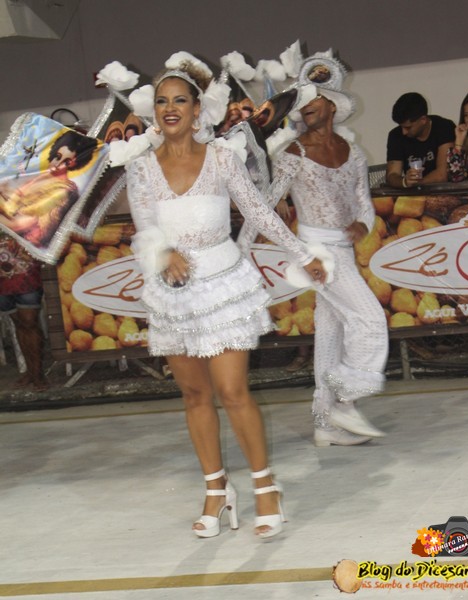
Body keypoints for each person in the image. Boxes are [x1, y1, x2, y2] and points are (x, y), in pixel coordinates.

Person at [124, 57, 326, 540]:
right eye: (162, 101)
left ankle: (265, 487)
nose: (170, 108)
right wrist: (162, 252)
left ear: (198, 110)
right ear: (154, 111)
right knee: (194, 395)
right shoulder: (140, 168)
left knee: (233, 392)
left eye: (180, 100)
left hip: (223, 285)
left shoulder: (221, 158)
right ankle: (216, 490)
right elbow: (144, 228)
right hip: (174, 295)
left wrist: (304, 253)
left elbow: (259, 211)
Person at [270, 60, 388, 447]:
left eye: (315, 98)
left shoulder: (353, 153)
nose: (307, 105)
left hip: (344, 253)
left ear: (332, 105)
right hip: (317, 255)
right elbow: (266, 204)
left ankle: (324, 423)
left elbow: (364, 204)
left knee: (330, 337)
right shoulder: (292, 152)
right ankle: (345, 401)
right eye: (302, 99)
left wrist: (363, 225)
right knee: (371, 320)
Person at [0, 131, 98, 249]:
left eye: (66, 162)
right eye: (58, 157)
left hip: (23, 242)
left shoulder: (63, 190)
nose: (57, 165)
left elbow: (18, 224)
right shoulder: (43, 176)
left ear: (74, 164)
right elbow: (13, 202)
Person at [0, 233, 48, 390]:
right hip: (2, 277)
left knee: (29, 322)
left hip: (25, 269)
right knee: (18, 323)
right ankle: (31, 371)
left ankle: (38, 373)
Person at [386, 92, 455, 188]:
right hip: (412, 194)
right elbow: (392, 175)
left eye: (408, 127)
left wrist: (416, 184)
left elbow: (442, 174)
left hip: (443, 191)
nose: (404, 132)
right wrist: (404, 182)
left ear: (423, 120)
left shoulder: (444, 127)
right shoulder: (395, 135)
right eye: (401, 126)